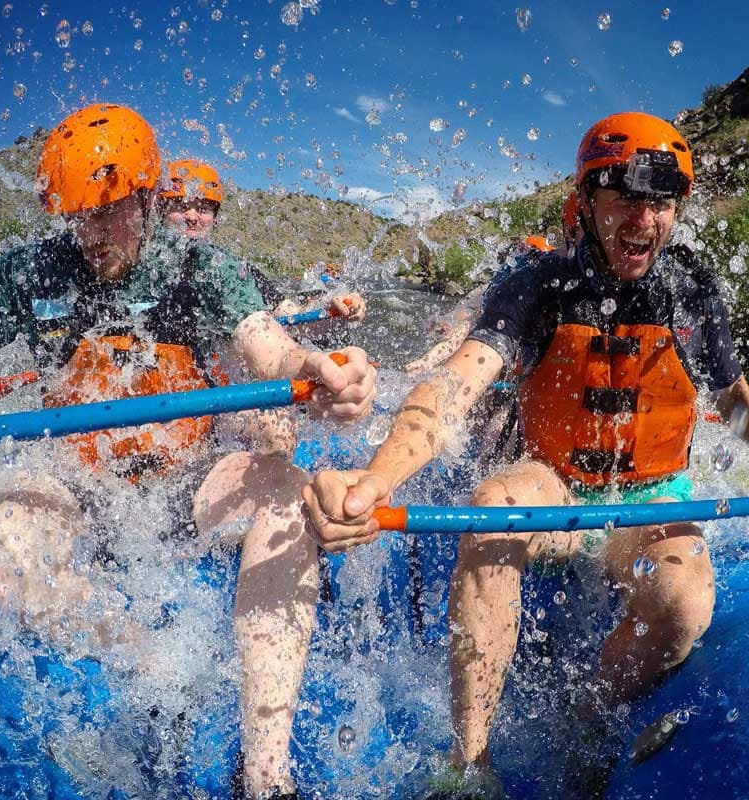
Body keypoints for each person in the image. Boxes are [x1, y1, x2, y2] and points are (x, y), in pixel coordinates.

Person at [302, 112, 749, 797]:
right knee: (492, 507)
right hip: (558, 485)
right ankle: (469, 763)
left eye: (661, 203)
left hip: (653, 494)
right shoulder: (537, 284)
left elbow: (736, 401)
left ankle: (588, 716)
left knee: (686, 600)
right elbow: (452, 389)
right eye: (626, 198)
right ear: (588, 199)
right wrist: (377, 477)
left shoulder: (694, 287)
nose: (645, 220)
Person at [0, 103, 378, 800]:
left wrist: (314, 372)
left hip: (188, 479)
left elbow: (270, 349)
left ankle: (265, 775)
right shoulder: (26, 275)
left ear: (149, 197)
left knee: (282, 489)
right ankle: (146, 664)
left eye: (111, 211)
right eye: (79, 214)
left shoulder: (199, 269)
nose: (94, 233)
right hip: (79, 482)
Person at [157, 157, 366, 325]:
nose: (192, 217)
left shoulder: (234, 271)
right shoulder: (139, 265)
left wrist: (334, 307)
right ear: (161, 212)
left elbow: (287, 314)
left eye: (203, 209)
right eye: (182, 207)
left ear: (214, 218)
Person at [404, 234, 555, 376]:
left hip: (517, 344)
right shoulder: (503, 290)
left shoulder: (516, 286)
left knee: (468, 319)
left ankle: (432, 357)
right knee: (467, 319)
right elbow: (468, 319)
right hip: (493, 327)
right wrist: (432, 355)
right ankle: (432, 357)